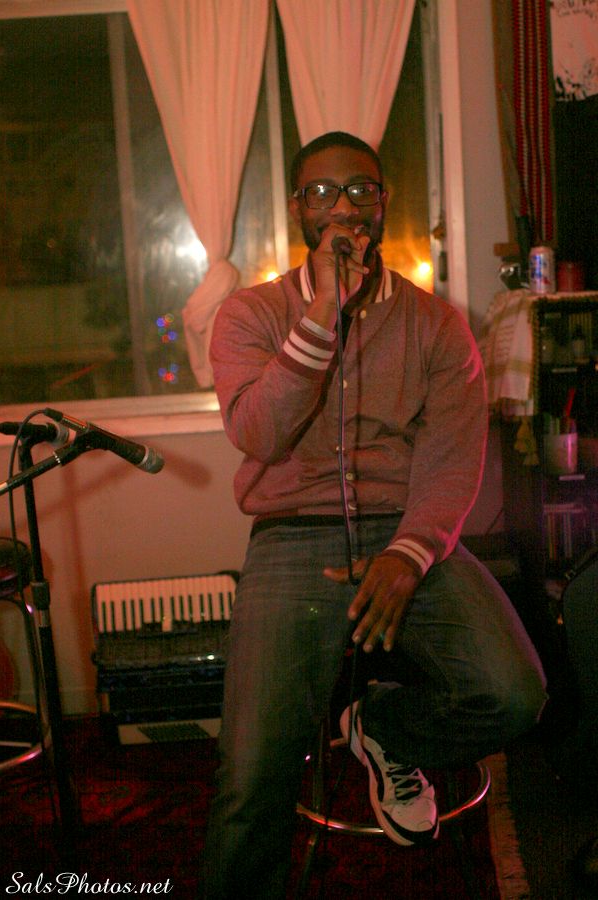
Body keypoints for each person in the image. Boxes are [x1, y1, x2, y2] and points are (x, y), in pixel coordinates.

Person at [199, 131, 547, 899]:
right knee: (252, 772)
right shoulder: (249, 315)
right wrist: (321, 315)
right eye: (321, 192)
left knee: (515, 693)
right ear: (298, 208)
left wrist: (411, 552)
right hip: (291, 539)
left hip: (408, 530)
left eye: (360, 189)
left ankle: (386, 730)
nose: (343, 206)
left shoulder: (437, 325)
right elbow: (258, 433)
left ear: (383, 203)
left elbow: (451, 460)